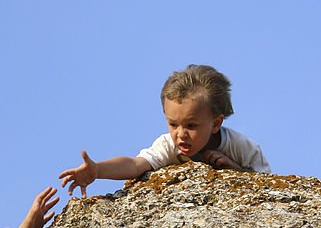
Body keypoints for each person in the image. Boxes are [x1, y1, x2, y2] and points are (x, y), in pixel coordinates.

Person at [59, 64, 270, 196]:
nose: (180, 134)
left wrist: (236, 170)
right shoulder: (168, 145)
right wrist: (97, 170)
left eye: (191, 126)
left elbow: (269, 188)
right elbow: (135, 164)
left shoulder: (243, 148)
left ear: (216, 123)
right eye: (173, 124)